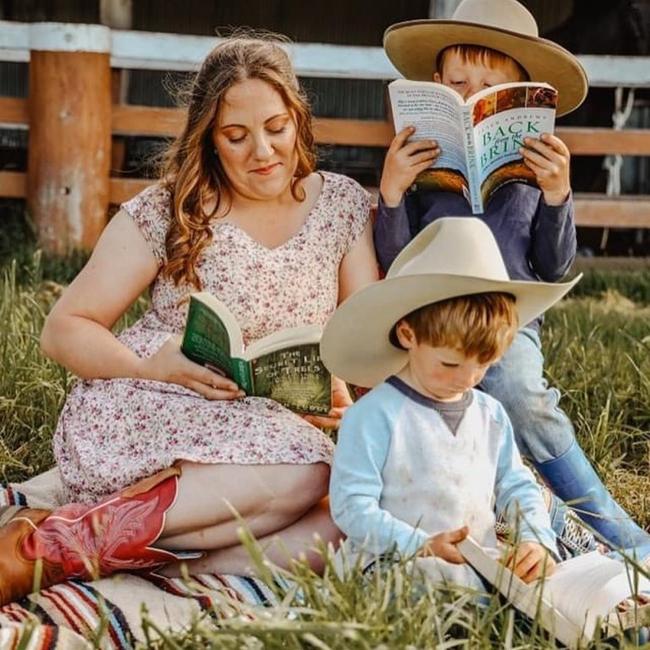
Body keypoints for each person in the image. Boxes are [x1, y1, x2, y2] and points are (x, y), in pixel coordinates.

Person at [0, 35, 378, 606]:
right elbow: (64, 327)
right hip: (152, 410)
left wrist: (350, 398)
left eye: (276, 127)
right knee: (308, 474)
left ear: (298, 119)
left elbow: (366, 344)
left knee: (347, 522)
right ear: (209, 139)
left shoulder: (341, 206)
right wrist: (152, 367)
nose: (262, 152)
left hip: (272, 433)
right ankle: (57, 545)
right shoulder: (168, 208)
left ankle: (127, 562)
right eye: (236, 136)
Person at [374, 0, 650, 552]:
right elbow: (395, 260)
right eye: (458, 82)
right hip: (432, 309)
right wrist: (393, 192)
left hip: (506, 311)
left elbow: (553, 266)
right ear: (436, 84)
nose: (471, 94)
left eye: (489, 88)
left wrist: (556, 195)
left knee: (520, 394)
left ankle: (621, 539)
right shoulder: (422, 163)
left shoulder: (533, 170)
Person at [322, 218, 576, 587]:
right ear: (408, 334)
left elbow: (516, 485)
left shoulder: (489, 414)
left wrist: (534, 539)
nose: (467, 379)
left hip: (474, 566)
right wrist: (422, 544)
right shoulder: (374, 415)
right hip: (392, 565)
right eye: (450, 364)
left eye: (484, 366)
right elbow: (352, 507)